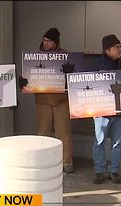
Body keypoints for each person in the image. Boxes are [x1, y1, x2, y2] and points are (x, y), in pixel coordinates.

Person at [18, 28, 75, 174]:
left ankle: (66, 162)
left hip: (61, 100)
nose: (46, 43)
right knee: (43, 132)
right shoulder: (35, 57)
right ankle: (44, 161)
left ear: (56, 42)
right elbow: (29, 76)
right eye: (44, 40)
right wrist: (23, 81)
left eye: (49, 41)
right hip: (42, 100)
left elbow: (74, 76)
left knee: (63, 132)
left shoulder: (65, 56)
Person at [86, 34, 121, 184]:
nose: (120, 49)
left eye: (120, 46)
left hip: (120, 112)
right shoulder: (96, 65)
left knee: (117, 142)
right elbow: (84, 84)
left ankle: (114, 171)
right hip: (101, 113)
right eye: (117, 46)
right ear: (107, 49)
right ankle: (99, 171)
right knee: (100, 141)